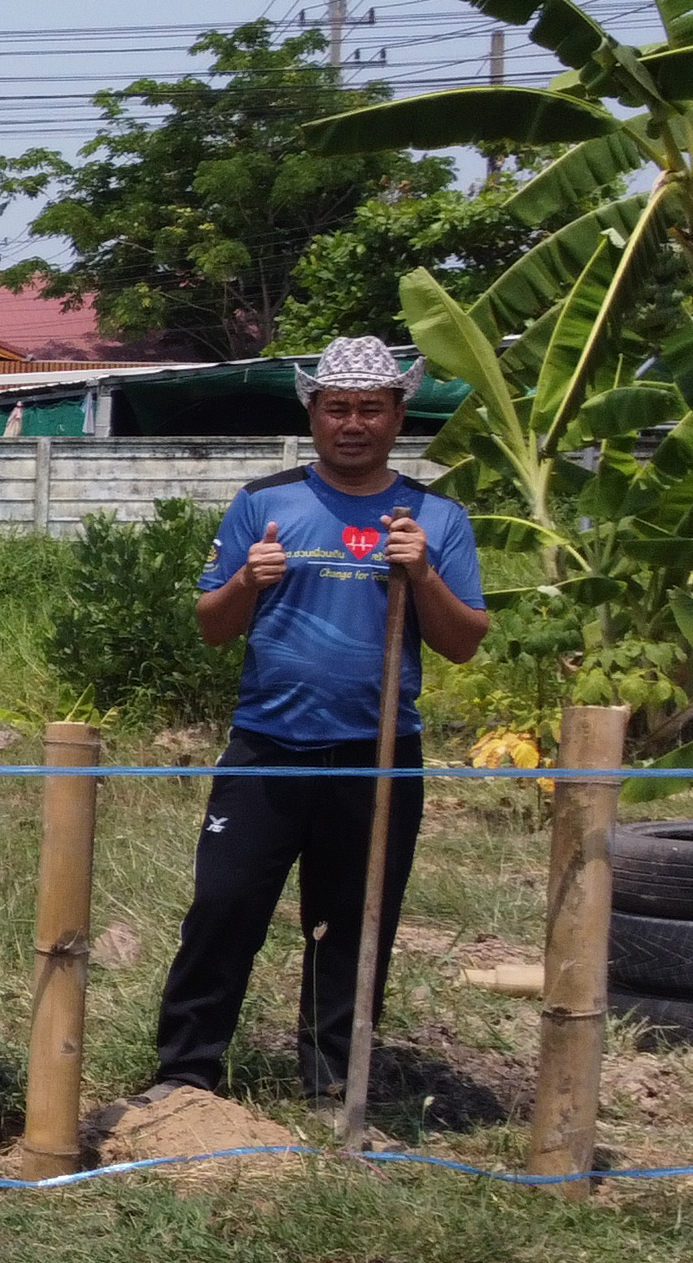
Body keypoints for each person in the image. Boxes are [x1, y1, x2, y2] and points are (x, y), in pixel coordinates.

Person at [147, 336, 490, 1102]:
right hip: (268, 746)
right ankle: (187, 1075)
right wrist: (248, 579)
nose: (353, 423)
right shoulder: (265, 503)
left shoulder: (434, 517)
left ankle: (335, 1075)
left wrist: (421, 572)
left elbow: (464, 642)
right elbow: (211, 625)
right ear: (313, 412)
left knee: (355, 920)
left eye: (372, 407)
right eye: (337, 407)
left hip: (379, 753)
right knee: (224, 907)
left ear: (400, 414)